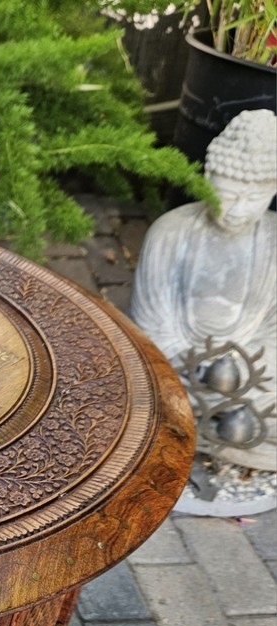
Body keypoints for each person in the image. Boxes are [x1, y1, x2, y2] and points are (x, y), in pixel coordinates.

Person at [131, 109, 276, 471]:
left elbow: (274, 333)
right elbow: (149, 330)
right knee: (140, 391)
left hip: (254, 375)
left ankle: (211, 436)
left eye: (254, 197)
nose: (237, 210)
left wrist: (240, 375)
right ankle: (220, 437)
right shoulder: (170, 232)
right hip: (179, 370)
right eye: (227, 194)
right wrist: (202, 373)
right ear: (208, 177)